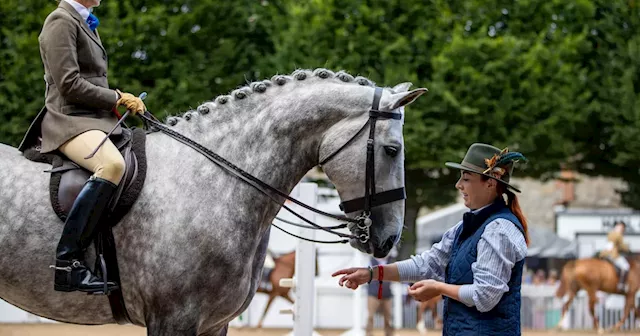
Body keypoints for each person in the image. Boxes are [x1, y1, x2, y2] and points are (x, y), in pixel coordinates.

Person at [332, 143, 529, 336]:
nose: (458, 184)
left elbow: (485, 296)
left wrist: (438, 288)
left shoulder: (498, 230)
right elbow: (427, 264)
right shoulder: (465, 227)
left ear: (490, 183)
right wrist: (372, 273)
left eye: (466, 178)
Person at [19, 0, 147, 293]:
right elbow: (69, 84)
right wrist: (115, 97)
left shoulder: (84, 21)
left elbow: (92, 79)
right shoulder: (60, 21)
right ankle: (68, 263)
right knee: (112, 165)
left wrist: (117, 103)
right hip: (69, 120)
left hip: (95, 119)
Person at [366, 255, 394, 336]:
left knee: (388, 317)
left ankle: (389, 334)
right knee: (370, 316)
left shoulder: (391, 261)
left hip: (386, 294)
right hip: (373, 294)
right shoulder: (370, 261)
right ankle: (369, 334)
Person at [600, 221, 631, 291]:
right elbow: (622, 246)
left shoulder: (610, 233)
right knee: (626, 266)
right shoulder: (618, 235)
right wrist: (627, 248)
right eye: (621, 227)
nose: (622, 229)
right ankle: (621, 284)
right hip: (613, 255)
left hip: (604, 254)